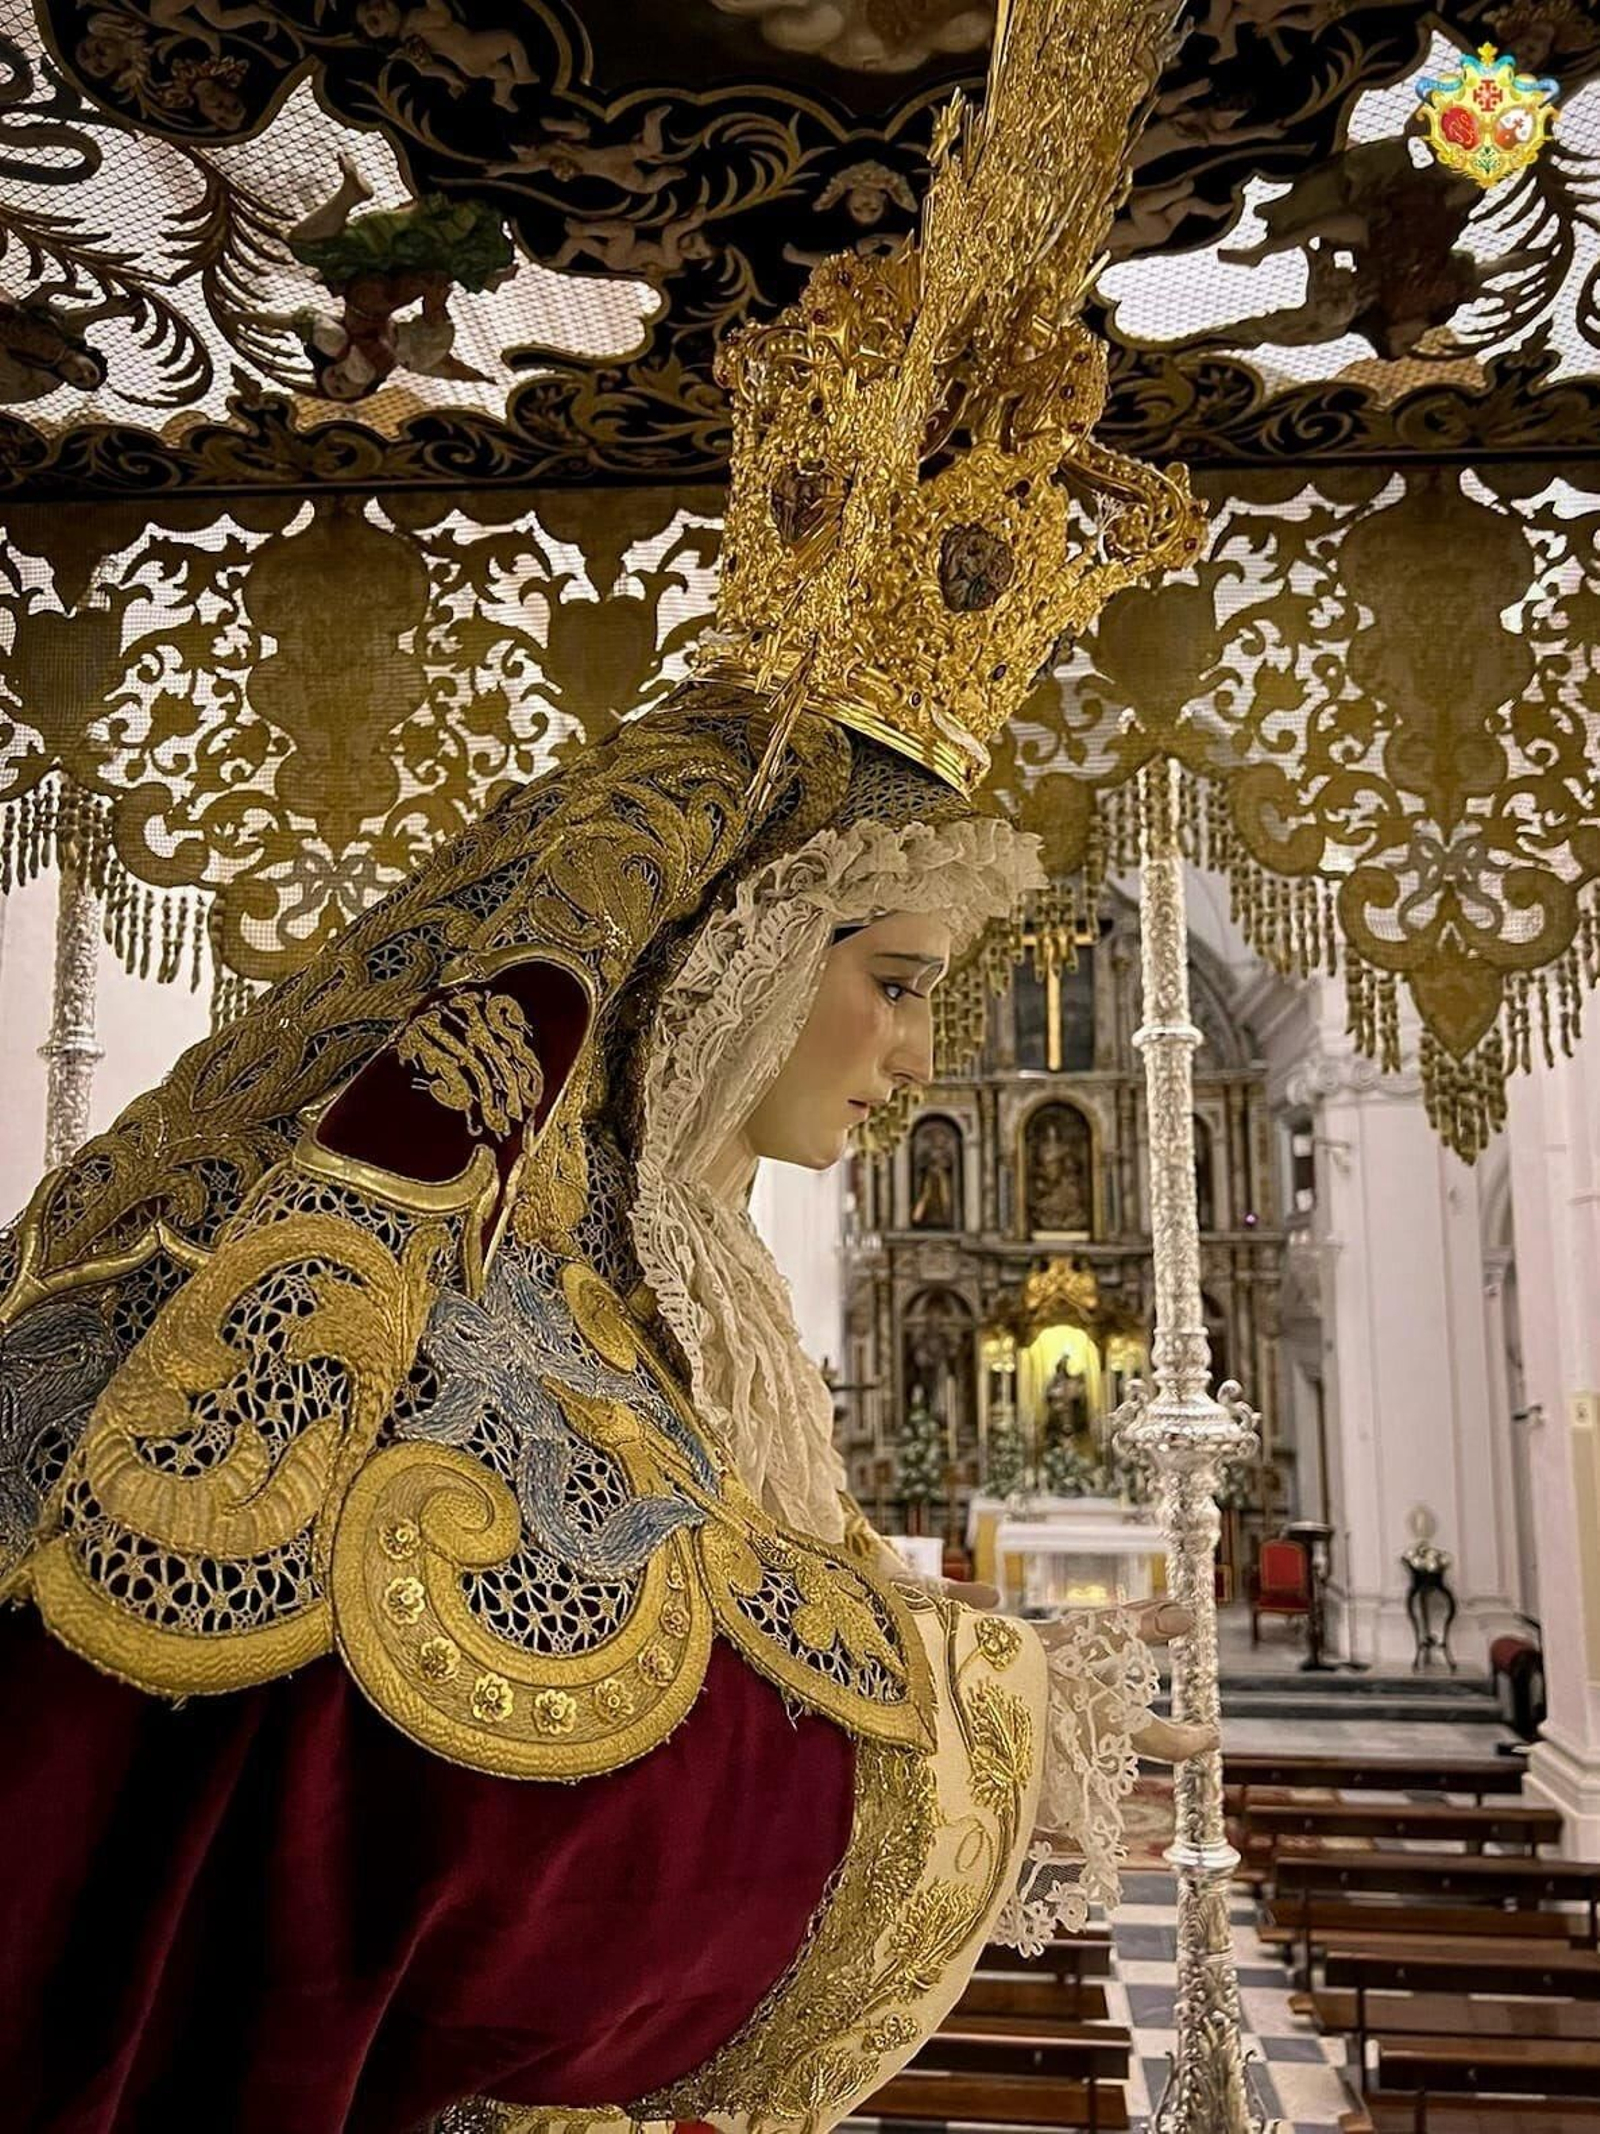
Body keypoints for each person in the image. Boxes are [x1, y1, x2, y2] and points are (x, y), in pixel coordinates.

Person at [0, 1, 1214, 2124]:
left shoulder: (621, 1299)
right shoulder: (428, 1316)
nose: (918, 1064)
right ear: (724, 965)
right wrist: (996, 1727)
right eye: (902, 976)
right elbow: (543, 1865)